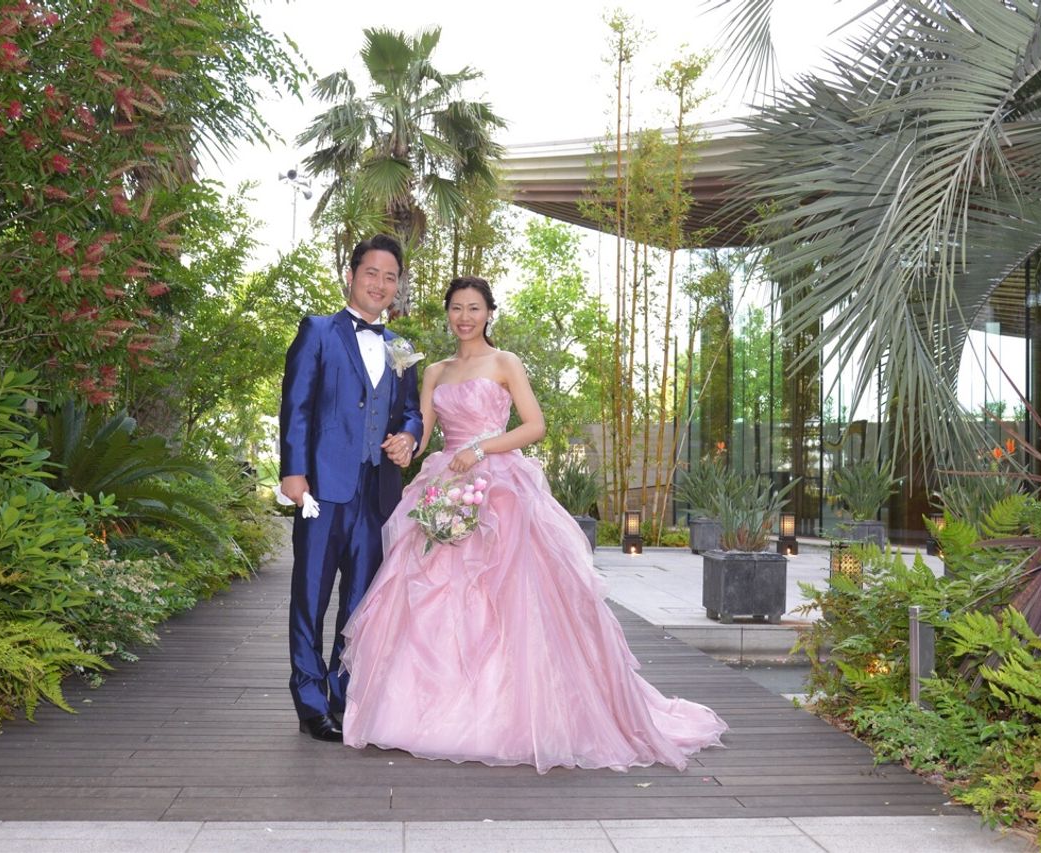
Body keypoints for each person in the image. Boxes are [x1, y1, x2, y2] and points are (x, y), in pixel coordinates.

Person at [339, 276, 727, 772]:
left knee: (511, 594)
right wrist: (402, 445)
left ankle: (509, 714)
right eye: (456, 308)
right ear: (447, 313)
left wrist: (480, 449)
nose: (464, 317)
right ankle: (417, 712)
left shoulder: (506, 363)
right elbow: (425, 433)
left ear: (488, 313)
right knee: (428, 589)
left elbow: (534, 425)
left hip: (500, 484)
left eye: (474, 308)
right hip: (446, 481)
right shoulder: (433, 371)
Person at [279, 234, 423, 743]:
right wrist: (293, 472)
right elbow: (296, 406)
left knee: (361, 604)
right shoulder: (318, 331)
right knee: (310, 597)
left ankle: (345, 697)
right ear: (351, 275)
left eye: (390, 277)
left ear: (398, 286)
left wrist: (410, 436)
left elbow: (411, 411)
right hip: (322, 489)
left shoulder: (401, 347)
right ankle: (310, 701)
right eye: (371, 273)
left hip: (378, 493)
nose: (380, 284)